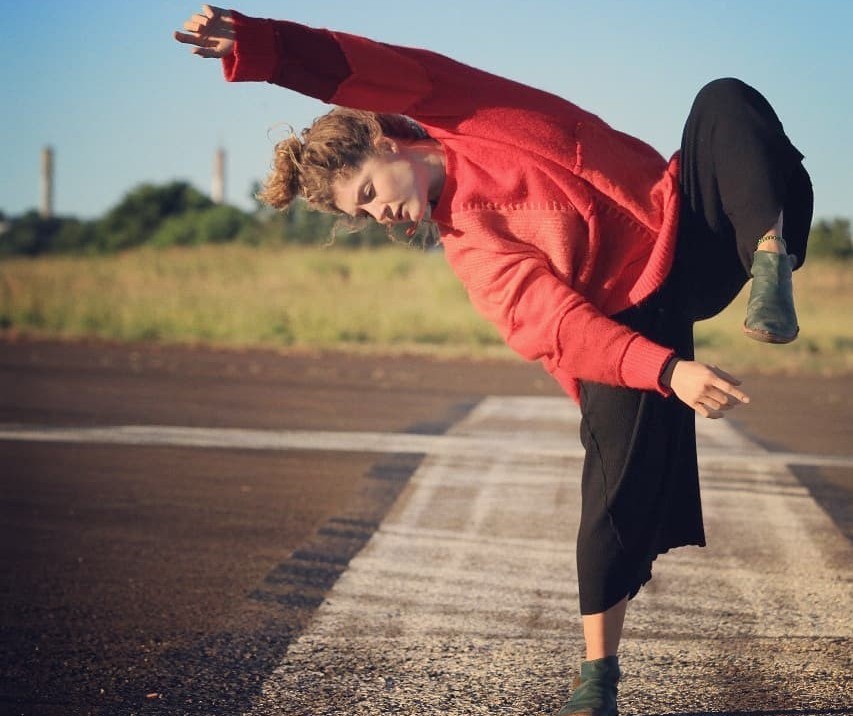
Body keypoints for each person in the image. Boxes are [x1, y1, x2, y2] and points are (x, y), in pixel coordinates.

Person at [174, 6, 813, 715]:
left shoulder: (473, 112)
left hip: (687, 229)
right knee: (609, 496)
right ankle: (596, 682)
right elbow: (556, 325)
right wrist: (667, 371)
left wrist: (263, 44)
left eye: (365, 195)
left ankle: (769, 264)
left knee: (723, 99)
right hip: (621, 320)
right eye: (358, 218)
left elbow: (364, 64)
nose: (374, 216)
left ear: (386, 139)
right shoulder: (468, 248)